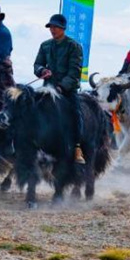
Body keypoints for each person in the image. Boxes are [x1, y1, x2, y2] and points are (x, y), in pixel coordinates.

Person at [33, 14, 86, 164]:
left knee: (76, 113)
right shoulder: (45, 45)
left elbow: (74, 72)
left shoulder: (74, 46)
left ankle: (77, 147)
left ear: (63, 28)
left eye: (56, 27)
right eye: (51, 27)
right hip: (47, 89)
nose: (53, 30)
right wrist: (42, 70)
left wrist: (62, 87)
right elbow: (37, 65)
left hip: (67, 91)